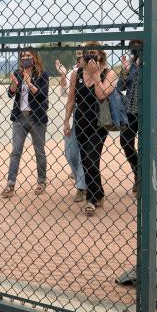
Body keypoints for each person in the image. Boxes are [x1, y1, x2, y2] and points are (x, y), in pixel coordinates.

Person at [64, 42, 118, 216]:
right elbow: (71, 99)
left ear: (101, 55)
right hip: (80, 121)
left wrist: (95, 75)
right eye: (87, 53)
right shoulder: (77, 74)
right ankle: (99, 192)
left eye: (93, 53)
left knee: (92, 157)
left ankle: (92, 199)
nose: (89, 56)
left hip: (99, 122)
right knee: (86, 160)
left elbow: (101, 95)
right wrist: (66, 121)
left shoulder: (109, 73)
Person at [2, 49, 49, 198]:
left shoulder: (42, 75)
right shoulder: (17, 73)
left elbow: (42, 96)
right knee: (16, 151)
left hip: (37, 118)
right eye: (23, 56)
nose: (25, 58)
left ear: (35, 58)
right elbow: (10, 94)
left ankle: (41, 181)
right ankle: (10, 183)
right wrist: (14, 85)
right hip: (20, 118)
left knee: (39, 151)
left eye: (28, 56)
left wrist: (29, 83)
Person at [55, 51, 87, 201]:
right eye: (79, 55)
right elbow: (64, 93)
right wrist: (62, 75)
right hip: (75, 116)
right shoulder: (74, 73)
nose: (80, 57)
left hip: (92, 118)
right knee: (70, 152)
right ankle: (80, 178)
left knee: (84, 155)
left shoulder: (99, 71)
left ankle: (82, 187)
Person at [119, 40, 142, 192]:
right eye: (133, 46)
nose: (135, 49)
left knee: (145, 146)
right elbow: (120, 87)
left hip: (146, 111)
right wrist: (125, 71)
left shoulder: (153, 62)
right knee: (125, 141)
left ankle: (143, 180)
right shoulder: (131, 64)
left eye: (138, 46)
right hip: (130, 111)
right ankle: (138, 174)